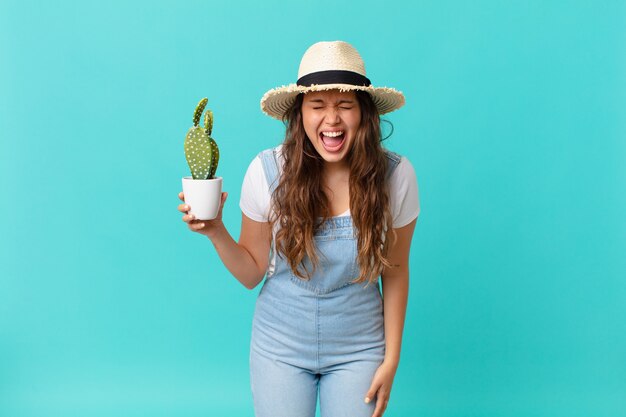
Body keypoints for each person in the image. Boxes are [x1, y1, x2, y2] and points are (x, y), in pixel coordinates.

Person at [177, 40, 419, 417]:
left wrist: (392, 359)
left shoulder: (395, 176)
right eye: (318, 105)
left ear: (364, 114)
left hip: (360, 348)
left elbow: (397, 270)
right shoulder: (267, 171)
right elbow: (251, 272)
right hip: (280, 348)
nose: (332, 119)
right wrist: (215, 230)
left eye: (345, 106)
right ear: (299, 114)